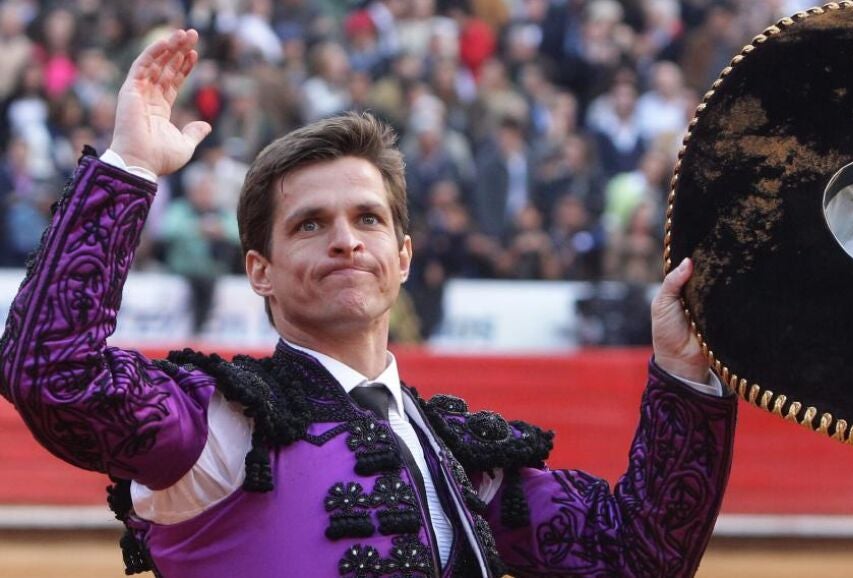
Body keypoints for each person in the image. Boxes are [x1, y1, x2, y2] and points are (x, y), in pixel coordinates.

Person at [0, 30, 736, 578]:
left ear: (403, 256)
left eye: (368, 219)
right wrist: (128, 167)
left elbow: (635, 554)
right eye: (309, 225)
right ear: (260, 271)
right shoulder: (221, 430)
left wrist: (681, 373)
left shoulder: (457, 457)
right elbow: (54, 373)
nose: (346, 241)